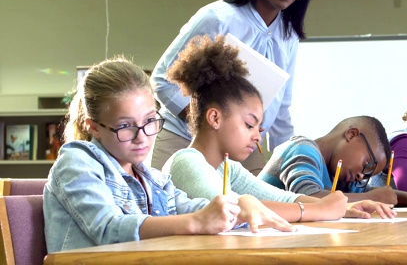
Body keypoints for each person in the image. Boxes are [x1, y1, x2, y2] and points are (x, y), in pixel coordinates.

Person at [43, 57, 295, 253]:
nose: (142, 137)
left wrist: (237, 207)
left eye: (150, 121)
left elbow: (186, 207)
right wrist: (196, 222)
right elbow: (109, 228)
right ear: (93, 126)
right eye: (125, 126)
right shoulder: (77, 161)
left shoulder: (149, 176)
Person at [163, 35, 396, 222]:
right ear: (215, 118)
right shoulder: (185, 161)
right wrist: (319, 211)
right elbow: (234, 210)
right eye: (249, 124)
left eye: (259, 127)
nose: (257, 137)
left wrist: (347, 206)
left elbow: (283, 197)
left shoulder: (227, 168)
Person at [150, 0, 315, 170]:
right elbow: (163, 80)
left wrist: (291, 164)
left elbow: (280, 111)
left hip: (243, 148)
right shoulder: (218, 18)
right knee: (180, 207)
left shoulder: (288, 34)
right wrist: (211, 128)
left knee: (265, 204)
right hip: (184, 140)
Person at [258, 115, 407, 209]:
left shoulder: (341, 174)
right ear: (352, 135)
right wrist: (373, 198)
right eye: (367, 164)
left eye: (369, 174)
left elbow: (368, 193)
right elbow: (307, 196)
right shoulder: (301, 149)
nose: (362, 175)